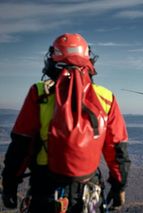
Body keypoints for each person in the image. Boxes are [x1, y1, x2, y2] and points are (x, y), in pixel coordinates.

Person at [1, 33, 131, 212]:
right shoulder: (106, 97)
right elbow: (117, 149)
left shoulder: (40, 93)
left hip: (44, 190)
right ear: (88, 60)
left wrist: (9, 184)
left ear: (53, 60)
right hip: (88, 191)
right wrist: (119, 187)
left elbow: (21, 144)